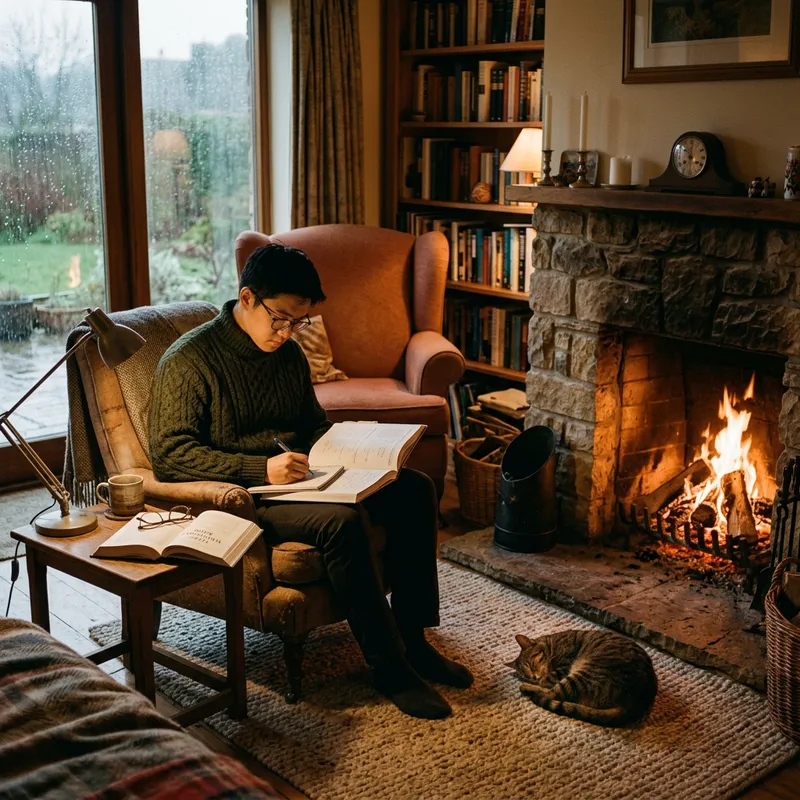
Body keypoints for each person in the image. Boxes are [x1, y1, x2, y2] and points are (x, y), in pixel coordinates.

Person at [148, 243, 473, 719]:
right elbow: (170, 456)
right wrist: (260, 470)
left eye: (298, 322)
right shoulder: (189, 361)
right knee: (340, 524)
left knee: (414, 489)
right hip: (245, 496)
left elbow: (312, 424)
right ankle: (390, 668)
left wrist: (358, 453)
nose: (287, 332)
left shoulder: (289, 355)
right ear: (246, 298)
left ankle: (414, 640)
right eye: (280, 318)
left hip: (304, 479)